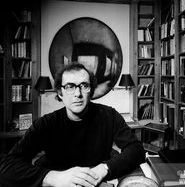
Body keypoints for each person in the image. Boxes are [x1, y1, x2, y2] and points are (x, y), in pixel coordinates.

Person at [0, 62, 145, 187]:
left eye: (84, 86)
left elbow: (136, 149)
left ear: (91, 90)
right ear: (60, 92)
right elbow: (6, 166)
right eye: (70, 86)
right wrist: (53, 178)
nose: (78, 93)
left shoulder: (109, 115)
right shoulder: (46, 123)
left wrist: (104, 168)